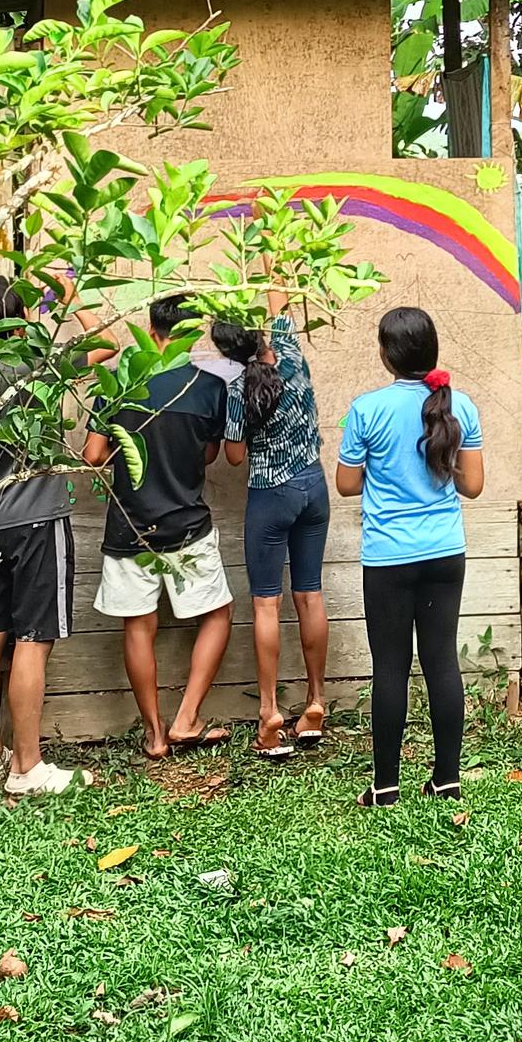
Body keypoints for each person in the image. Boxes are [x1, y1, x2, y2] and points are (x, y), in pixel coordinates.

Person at [0, 272, 111, 797]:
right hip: (38, 518)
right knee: (34, 642)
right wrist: (69, 297)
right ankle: (28, 768)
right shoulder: (37, 364)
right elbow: (106, 344)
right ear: (21, 322)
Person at [334, 306, 484, 808]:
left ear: (385, 355)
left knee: (391, 668)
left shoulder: (366, 409)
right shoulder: (460, 406)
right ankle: (446, 780)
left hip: (388, 558)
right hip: (445, 553)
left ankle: (385, 786)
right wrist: (440, 461)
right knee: (442, 661)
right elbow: (475, 487)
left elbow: (347, 484)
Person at [81, 294, 236, 761]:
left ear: (152, 333)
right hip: (188, 525)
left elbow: (92, 457)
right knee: (218, 614)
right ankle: (188, 716)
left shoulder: (120, 383)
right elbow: (209, 455)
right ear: (193, 336)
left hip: (129, 526)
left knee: (138, 627)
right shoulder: (210, 389)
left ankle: (154, 735)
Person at [214, 284, 332, 759]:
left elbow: (236, 457)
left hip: (271, 494)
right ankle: (317, 700)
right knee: (311, 593)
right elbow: (281, 293)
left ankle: (269, 713)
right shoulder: (290, 351)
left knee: (267, 604)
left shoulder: (236, 389)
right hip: (314, 487)